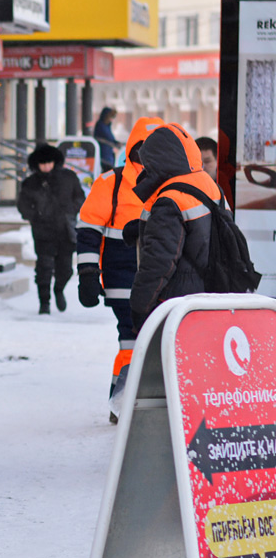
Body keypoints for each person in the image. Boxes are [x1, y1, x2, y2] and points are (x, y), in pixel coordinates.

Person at [76, 116, 165, 422]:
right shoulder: (110, 183)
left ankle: (133, 400)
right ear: (132, 149)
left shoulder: (172, 183)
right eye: (142, 148)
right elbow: (88, 229)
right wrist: (87, 274)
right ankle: (123, 402)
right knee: (131, 337)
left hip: (160, 279)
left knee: (148, 339)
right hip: (122, 280)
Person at [129, 122, 228, 332]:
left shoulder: (170, 199)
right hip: (212, 294)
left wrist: (140, 306)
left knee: (169, 362)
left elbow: (159, 261)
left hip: (176, 303)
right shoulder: (211, 186)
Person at [17, 144, 86, 314]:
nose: (47, 166)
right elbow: (23, 204)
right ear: (37, 165)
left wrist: (71, 210)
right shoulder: (31, 183)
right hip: (43, 231)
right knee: (44, 268)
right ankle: (44, 303)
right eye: (43, 163)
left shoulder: (69, 177)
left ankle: (59, 289)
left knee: (66, 269)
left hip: (65, 230)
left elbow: (80, 197)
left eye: (49, 162)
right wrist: (34, 216)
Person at [93, 107, 122, 172]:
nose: (111, 119)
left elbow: (111, 138)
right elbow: (107, 137)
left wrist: (117, 143)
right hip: (103, 155)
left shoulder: (107, 126)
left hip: (108, 154)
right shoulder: (100, 125)